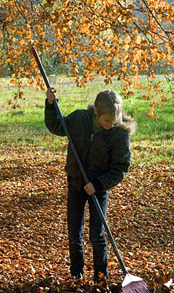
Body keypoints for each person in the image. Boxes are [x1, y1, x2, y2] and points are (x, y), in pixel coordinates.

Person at [44, 88, 136, 282]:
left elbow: (120, 168)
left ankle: (101, 278)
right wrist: (51, 104)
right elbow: (55, 125)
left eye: (114, 121)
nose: (110, 125)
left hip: (98, 189)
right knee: (74, 234)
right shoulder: (79, 120)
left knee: (97, 235)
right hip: (76, 184)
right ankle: (77, 274)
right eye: (107, 121)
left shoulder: (119, 134)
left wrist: (99, 184)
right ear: (96, 113)